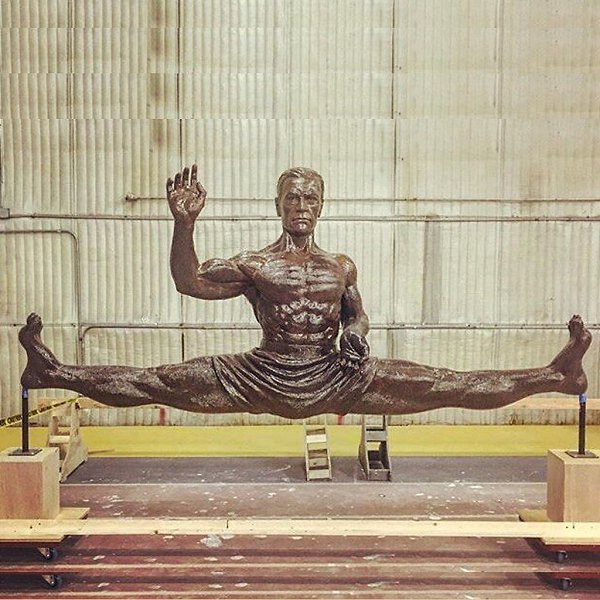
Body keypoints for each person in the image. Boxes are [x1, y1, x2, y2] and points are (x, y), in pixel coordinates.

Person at [19, 166, 591, 419]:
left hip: (336, 375)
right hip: (262, 374)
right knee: (154, 382)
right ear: (278, 205)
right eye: (292, 198)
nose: (301, 206)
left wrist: (355, 334)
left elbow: (358, 317)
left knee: (448, 384)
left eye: (310, 198)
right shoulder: (255, 264)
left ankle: (556, 375)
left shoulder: (341, 266)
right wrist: (184, 225)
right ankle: (52, 373)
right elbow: (188, 283)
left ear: (321, 205)